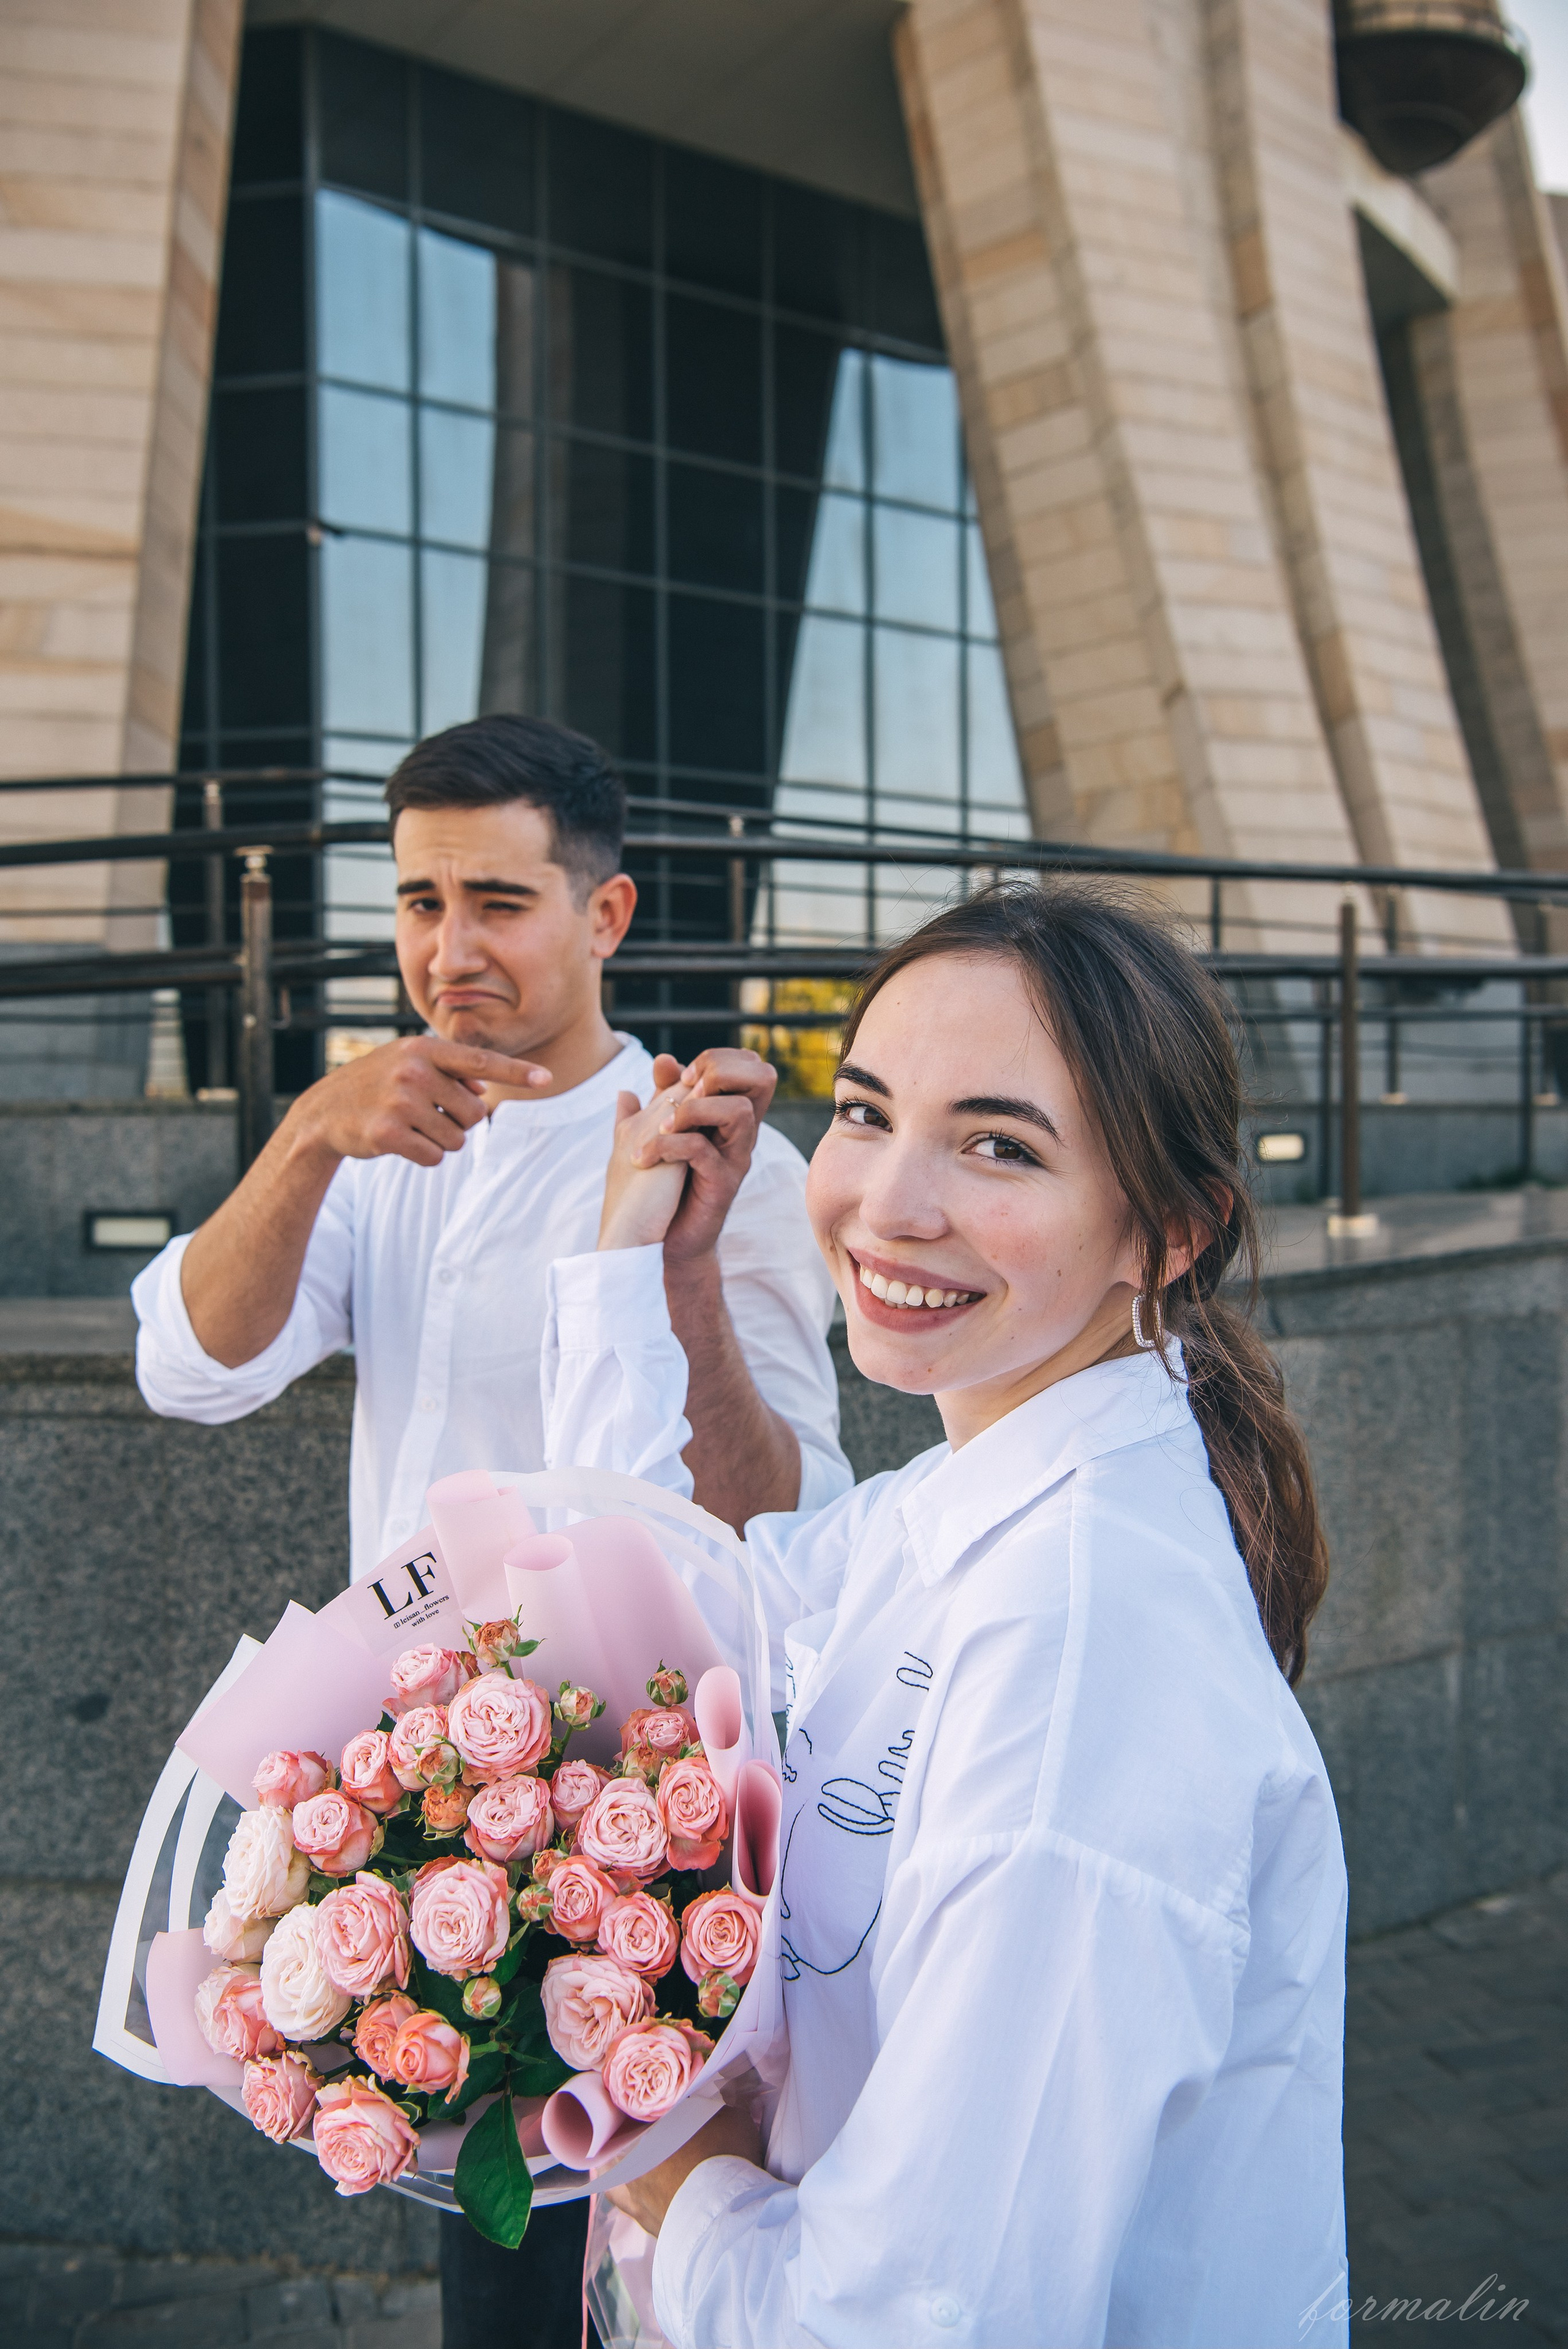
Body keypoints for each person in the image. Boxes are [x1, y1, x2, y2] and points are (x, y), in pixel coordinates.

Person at [541, 881, 1349, 2349]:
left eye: (997, 1145)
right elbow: (648, 1615)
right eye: (863, 1111)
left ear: (1165, 1231)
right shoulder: (955, 1504)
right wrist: (633, 1273)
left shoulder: (1085, 1659)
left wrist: (685, 2176)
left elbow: (920, 2322)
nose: (886, 1202)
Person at [130, 712, 852, 2348]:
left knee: (655, 2261)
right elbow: (187, 1368)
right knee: (502, 2266)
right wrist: (315, 1129)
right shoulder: (381, 1143)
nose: (448, 949)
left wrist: (675, 1269)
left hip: (665, 1810)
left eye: (498, 902)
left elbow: (789, 1514)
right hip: (429, 1796)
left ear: (606, 916)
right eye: (419, 901)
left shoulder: (712, 1146)